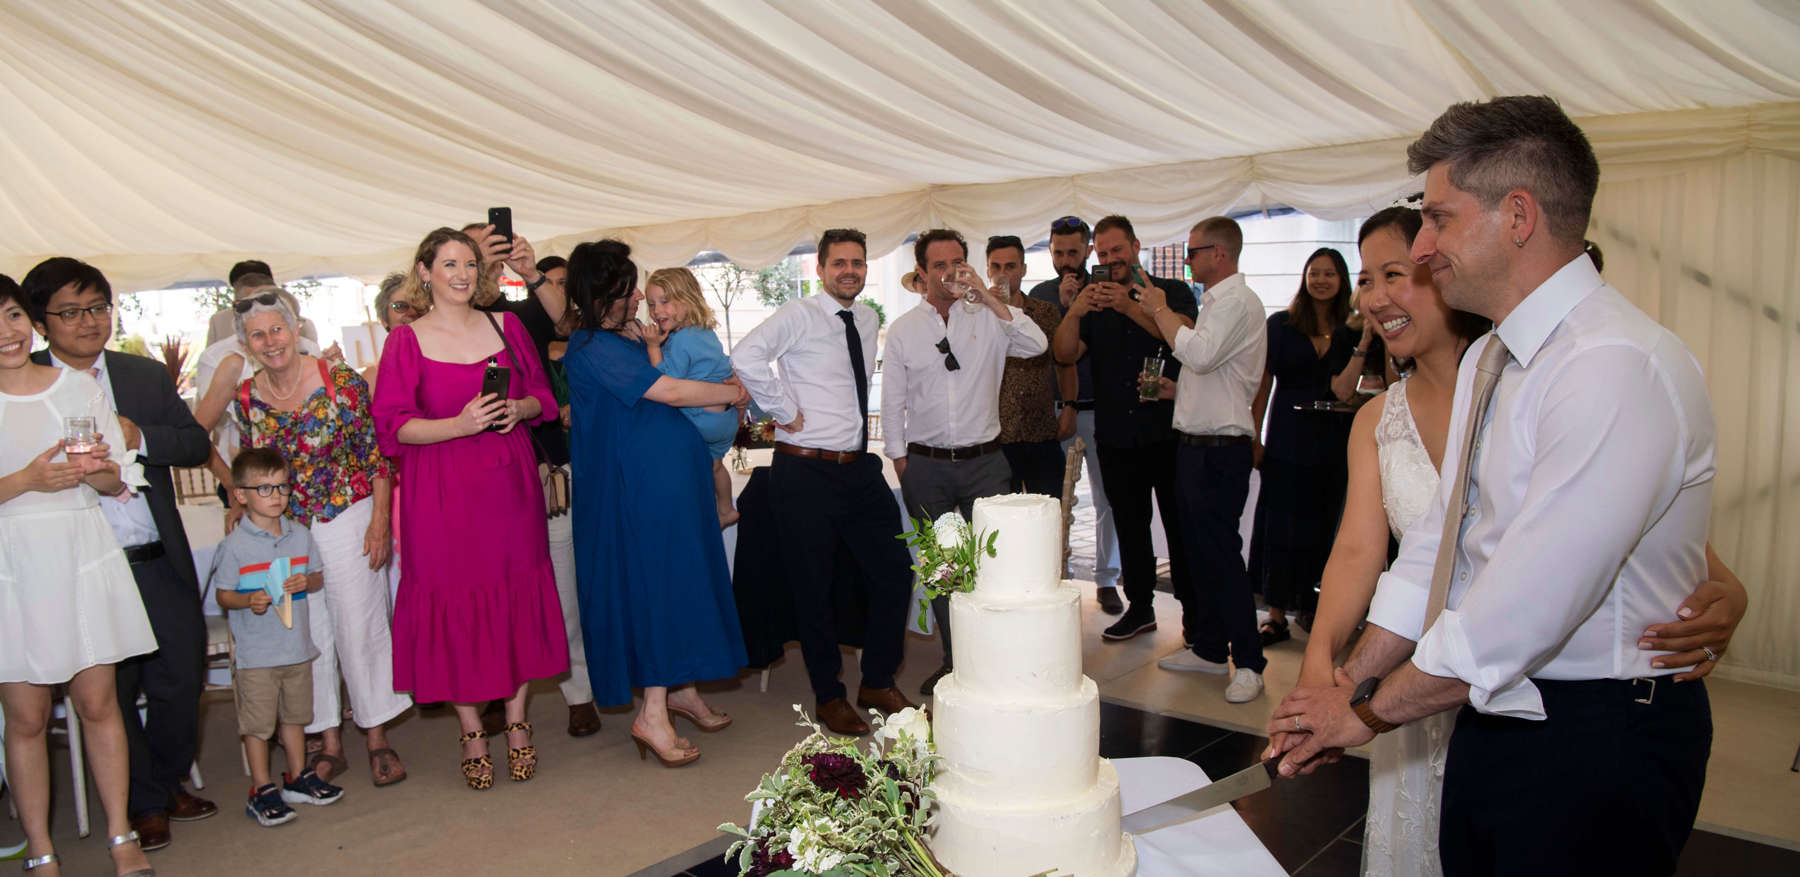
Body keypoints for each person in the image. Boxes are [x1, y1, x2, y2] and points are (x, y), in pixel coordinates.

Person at [1269, 96, 1723, 875]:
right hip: (1491, 712)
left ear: (1517, 215)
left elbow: (1523, 607)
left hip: (1596, 731)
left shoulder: (1614, 365)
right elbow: (1437, 557)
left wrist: (1365, 712)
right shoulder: (1493, 360)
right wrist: (1350, 679)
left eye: (1439, 219)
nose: (1422, 244)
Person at [23, 257, 216, 851]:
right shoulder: (21, 381)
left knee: (181, 675)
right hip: (79, 561)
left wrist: (140, 437)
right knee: (109, 689)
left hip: (153, 549)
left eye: (99, 307)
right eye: (72, 312)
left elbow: (193, 444)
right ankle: (144, 801)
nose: (89, 322)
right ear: (40, 321)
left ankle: (164, 778)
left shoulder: (143, 375)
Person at [373, 227, 567, 789]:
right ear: (425, 271)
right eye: (448, 263)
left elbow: (544, 398)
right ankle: (471, 732)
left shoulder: (504, 325)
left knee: (513, 595)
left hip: (507, 487)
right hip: (440, 494)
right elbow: (392, 427)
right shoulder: (404, 342)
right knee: (453, 602)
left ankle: (517, 723)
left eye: (468, 263)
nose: (459, 273)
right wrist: (457, 425)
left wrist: (518, 407)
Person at [562, 240, 750, 766]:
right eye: (628, 288)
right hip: (637, 493)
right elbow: (668, 393)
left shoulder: (623, 334)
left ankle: (679, 688)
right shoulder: (595, 347)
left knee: (681, 582)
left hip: (667, 485)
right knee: (656, 590)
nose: (640, 295)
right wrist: (729, 394)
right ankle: (652, 713)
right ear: (604, 297)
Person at [730, 227, 919, 736]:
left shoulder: (865, 316)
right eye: (839, 263)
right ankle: (829, 695)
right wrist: (783, 410)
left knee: (895, 572)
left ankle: (876, 679)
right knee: (811, 587)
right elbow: (745, 356)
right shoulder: (799, 315)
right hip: (805, 469)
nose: (850, 271)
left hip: (858, 468)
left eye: (858, 262)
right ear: (820, 268)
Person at [1, 272, 158, 877]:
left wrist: (95, 471)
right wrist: (26, 482)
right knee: (27, 717)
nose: (6, 333)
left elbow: (118, 480)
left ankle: (121, 836)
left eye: (13, 316)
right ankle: (41, 850)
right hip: (13, 565)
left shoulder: (75, 388)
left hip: (81, 551)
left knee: (99, 704)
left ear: (30, 320)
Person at [226, 293, 411, 787]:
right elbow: (251, 465)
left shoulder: (339, 381)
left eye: (277, 330)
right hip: (286, 531)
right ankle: (328, 739)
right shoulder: (246, 398)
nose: (270, 342)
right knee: (307, 633)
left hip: (347, 517)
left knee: (362, 626)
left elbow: (375, 457)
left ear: (294, 330)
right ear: (247, 344)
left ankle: (375, 735)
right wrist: (237, 504)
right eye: (258, 335)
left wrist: (379, 523)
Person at [884, 229, 1049, 695]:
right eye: (940, 265)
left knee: (995, 568)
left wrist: (991, 299)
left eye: (958, 262)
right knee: (946, 572)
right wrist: (902, 463)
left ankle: (996, 660)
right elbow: (892, 404)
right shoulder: (903, 331)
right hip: (927, 467)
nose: (951, 272)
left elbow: (1035, 344)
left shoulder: (992, 319)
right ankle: (957, 663)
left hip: (986, 463)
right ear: (921, 273)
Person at [460, 225, 601, 738]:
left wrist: (530, 271)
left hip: (545, 472)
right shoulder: (434, 330)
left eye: (486, 247)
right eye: (472, 246)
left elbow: (571, 320)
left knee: (561, 589)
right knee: (489, 596)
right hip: (472, 481)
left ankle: (578, 691)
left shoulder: (517, 315)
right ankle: (495, 690)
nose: (478, 257)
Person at [1136, 217, 1269, 703]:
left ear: (1221, 254)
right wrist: (1177, 390)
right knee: (1197, 556)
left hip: (1220, 451)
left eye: (1193, 252)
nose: (1187, 260)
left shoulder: (1236, 301)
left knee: (1220, 558)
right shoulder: (1219, 302)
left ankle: (1250, 662)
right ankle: (1212, 649)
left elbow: (1202, 354)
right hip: (1195, 445)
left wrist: (1160, 310)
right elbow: (1213, 374)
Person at [1050, 215, 1197, 643]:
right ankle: (1141, 608)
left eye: (1117, 251)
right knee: (1130, 527)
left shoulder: (1170, 292)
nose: (1110, 260)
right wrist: (1075, 310)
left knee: (1179, 525)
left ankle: (1194, 615)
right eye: (1103, 253)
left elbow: (1183, 341)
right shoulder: (1093, 302)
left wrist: (1129, 306)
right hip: (1116, 436)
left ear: (1135, 246)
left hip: (1169, 434)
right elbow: (1063, 354)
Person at [208, 448, 343, 827]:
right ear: (240, 495)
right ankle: (262, 788)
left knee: (295, 717)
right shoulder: (234, 546)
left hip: (296, 647)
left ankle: (297, 778)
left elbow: (316, 576)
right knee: (258, 724)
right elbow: (223, 595)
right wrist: (247, 599)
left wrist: (307, 581)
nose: (277, 496)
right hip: (256, 654)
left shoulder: (299, 535)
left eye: (282, 487)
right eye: (264, 489)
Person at [1248, 246, 1363, 644]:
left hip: (1335, 440)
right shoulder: (1280, 324)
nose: (1320, 280)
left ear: (1342, 280)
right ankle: (1276, 614)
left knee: (1324, 525)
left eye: (1329, 274)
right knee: (1279, 524)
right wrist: (1254, 435)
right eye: (1314, 272)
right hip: (1286, 435)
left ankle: (1315, 609)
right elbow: (1263, 384)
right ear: (1305, 277)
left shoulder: (1355, 330)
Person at [1031, 216, 1123, 614]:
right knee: (1055, 502)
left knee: (1108, 499)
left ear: (1088, 250)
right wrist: (1064, 308)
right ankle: (1056, 575)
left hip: (1101, 410)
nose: (1066, 261)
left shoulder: (1106, 291)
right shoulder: (1039, 295)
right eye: (1058, 253)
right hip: (1055, 412)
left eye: (1073, 252)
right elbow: (1044, 354)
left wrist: (1080, 307)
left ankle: (1106, 580)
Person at [643, 266, 741, 528]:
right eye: (652, 304)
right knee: (716, 466)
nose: (656, 310)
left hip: (701, 420)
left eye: (665, 302)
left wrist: (653, 348)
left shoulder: (682, 340)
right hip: (724, 420)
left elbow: (667, 381)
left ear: (688, 300)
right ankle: (726, 509)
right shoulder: (705, 333)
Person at [988, 235, 1069, 496]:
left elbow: (1064, 363)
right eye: (996, 266)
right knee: (1000, 523)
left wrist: (1070, 407)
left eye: (1010, 267)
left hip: (1042, 432)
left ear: (1023, 269)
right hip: (997, 437)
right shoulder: (978, 315)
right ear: (987, 270)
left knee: (1049, 517)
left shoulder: (1045, 312)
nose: (1003, 274)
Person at [204, 265, 320, 350]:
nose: (269, 342)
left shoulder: (304, 328)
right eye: (257, 335)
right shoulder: (219, 326)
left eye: (267, 298)